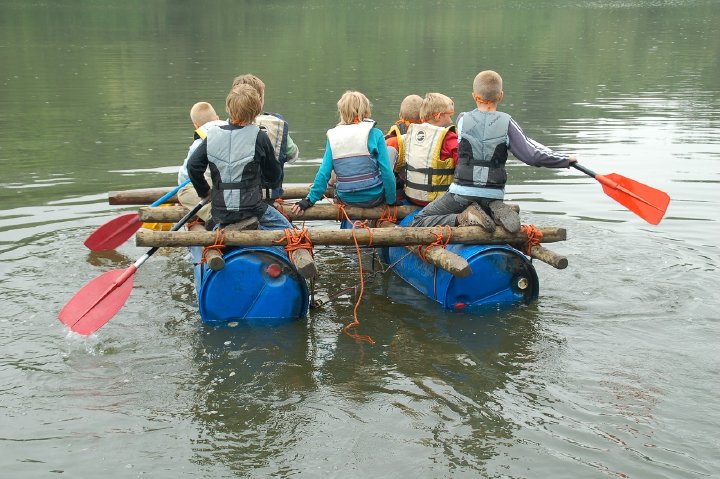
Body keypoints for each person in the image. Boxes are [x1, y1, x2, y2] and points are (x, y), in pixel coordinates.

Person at [411, 70, 578, 233]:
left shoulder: (462, 119)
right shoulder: (508, 123)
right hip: (493, 193)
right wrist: (564, 159)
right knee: (488, 199)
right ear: (501, 96)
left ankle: (462, 218)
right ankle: (493, 209)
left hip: (462, 193)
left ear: (474, 96)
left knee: (419, 220)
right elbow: (531, 155)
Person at [187, 84, 292, 230]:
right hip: (253, 209)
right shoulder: (259, 136)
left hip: (220, 211)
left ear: (228, 108)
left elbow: (192, 167)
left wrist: (204, 191)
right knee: (291, 232)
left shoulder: (211, 135)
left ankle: (222, 230)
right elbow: (274, 175)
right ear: (256, 112)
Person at [291, 91, 396, 215]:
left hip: (346, 199)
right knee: (391, 152)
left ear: (342, 112)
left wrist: (309, 200)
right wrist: (391, 201)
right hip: (374, 198)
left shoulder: (333, 136)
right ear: (366, 110)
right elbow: (387, 172)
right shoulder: (375, 133)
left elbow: (324, 173)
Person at [231, 73, 299, 199]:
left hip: (236, 196)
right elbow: (293, 156)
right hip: (268, 195)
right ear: (260, 100)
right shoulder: (276, 124)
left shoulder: (225, 127)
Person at [401, 92, 459, 206]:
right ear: (438, 116)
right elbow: (463, 168)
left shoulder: (411, 133)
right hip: (436, 200)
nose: (451, 121)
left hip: (411, 197)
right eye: (449, 116)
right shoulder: (449, 138)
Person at [176, 101, 227, 223]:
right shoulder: (232, 130)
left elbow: (185, 176)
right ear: (217, 118)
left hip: (212, 187)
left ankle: (212, 214)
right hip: (234, 185)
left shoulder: (198, 143)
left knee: (183, 192)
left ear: (196, 125)